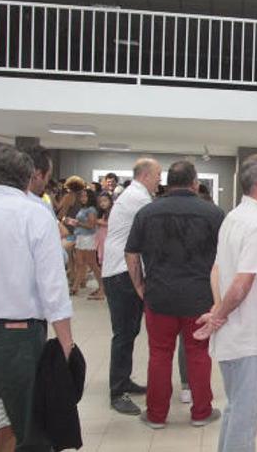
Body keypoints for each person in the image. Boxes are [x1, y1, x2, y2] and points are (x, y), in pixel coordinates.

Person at [0, 147, 75, 451]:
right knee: (31, 429)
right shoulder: (34, 213)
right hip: (16, 336)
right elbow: (52, 284)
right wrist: (65, 342)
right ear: (29, 177)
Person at [193, 154, 257, 452]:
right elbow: (242, 284)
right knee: (244, 417)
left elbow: (217, 270)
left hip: (233, 330)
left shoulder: (233, 217)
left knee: (234, 409)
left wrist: (218, 314)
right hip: (249, 335)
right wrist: (219, 314)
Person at [125, 161, 224, 429]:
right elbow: (225, 258)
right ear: (194, 183)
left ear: (167, 183)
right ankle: (201, 412)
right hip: (199, 297)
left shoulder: (147, 213)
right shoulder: (214, 214)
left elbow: (131, 254)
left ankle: (157, 415)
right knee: (199, 354)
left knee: (159, 354)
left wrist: (140, 288)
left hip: (159, 296)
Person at [102, 158, 162, 415]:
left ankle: (123, 380)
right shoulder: (139, 199)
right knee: (124, 334)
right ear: (146, 175)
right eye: (158, 175)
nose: (160, 180)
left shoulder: (134, 195)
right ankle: (118, 392)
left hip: (122, 271)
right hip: (122, 273)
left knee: (129, 332)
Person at [72, 189, 105, 297]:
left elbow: (91, 225)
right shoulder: (84, 208)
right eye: (82, 196)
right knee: (80, 263)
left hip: (88, 237)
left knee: (92, 263)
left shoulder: (91, 210)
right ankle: (75, 287)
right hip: (80, 237)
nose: (83, 198)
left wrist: (78, 223)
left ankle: (101, 285)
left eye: (85, 196)